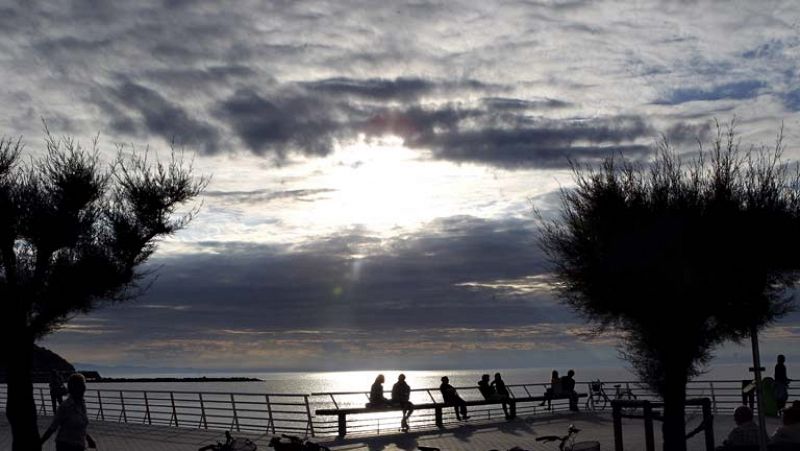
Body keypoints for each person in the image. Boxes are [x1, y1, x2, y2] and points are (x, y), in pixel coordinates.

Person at [41, 373, 97, 451]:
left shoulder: (82, 404)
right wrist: (41, 442)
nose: (84, 389)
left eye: (83, 386)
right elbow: (53, 427)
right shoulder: (65, 406)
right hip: (66, 445)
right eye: (81, 386)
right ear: (73, 388)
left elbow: (80, 426)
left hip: (80, 445)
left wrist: (88, 438)